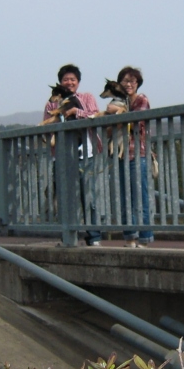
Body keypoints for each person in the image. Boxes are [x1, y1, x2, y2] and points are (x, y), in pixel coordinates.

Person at [43, 64, 103, 246]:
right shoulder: (52, 103)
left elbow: (95, 115)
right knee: (65, 197)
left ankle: (94, 237)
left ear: (78, 82)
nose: (69, 82)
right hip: (61, 156)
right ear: (60, 82)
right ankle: (68, 237)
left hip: (86, 154)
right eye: (65, 79)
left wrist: (75, 111)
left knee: (89, 196)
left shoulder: (86, 97)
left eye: (73, 79)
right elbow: (47, 125)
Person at [106, 66, 154, 247]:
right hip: (119, 155)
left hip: (137, 154)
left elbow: (136, 120)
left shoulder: (141, 99)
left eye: (132, 81)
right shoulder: (117, 102)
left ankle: (144, 238)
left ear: (138, 83)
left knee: (140, 198)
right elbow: (109, 129)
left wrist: (115, 114)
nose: (128, 84)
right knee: (124, 199)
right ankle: (130, 238)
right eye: (125, 81)